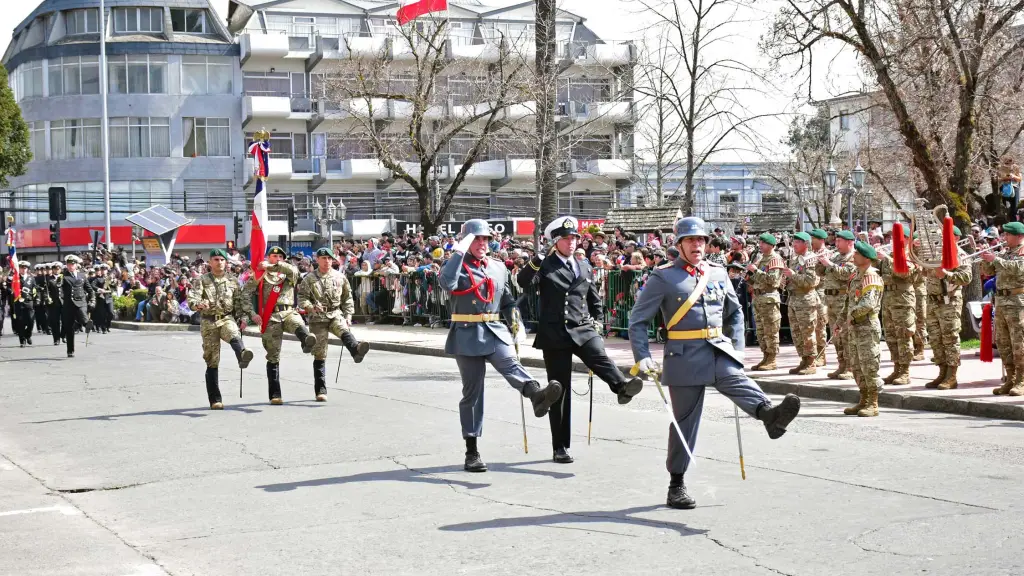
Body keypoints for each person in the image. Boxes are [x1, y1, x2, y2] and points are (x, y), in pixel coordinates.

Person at [627, 217, 801, 509]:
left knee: (737, 379)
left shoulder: (717, 273)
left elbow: (735, 313)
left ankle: (769, 415)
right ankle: (676, 484)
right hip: (682, 355)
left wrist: (738, 348)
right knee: (685, 423)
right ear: (679, 244)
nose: (697, 245)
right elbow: (638, 321)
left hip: (718, 349)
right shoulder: (663, 277)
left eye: (701, 240)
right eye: (691, 240)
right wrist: (642, 355)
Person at [516, 215, 644, 463]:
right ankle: (560, 446)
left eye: (574, 238)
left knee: (599, 355)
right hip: (555, 332)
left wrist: (597, 320)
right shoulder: (546, 264)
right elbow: (523, 282)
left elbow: (593, 297)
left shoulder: (584, 266)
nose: (572, 242)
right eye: (566, 238)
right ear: (556, 241)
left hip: (582, 327)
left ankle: (621, 386)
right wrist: (536, 261)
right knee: (558, 389)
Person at [439, 219, 562, 473]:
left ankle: (536, 394)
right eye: (477, 239)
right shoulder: (455, 266)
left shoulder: (497, 267)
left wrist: (516, 326)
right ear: (466, 242)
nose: (482, 244)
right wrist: (458, 251)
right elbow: (447, 283)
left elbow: (507, 300)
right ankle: (472, 451)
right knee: (473, 393)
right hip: (466, 332)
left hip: (494, 330)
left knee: (510, 363)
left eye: (485, 239)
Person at [242, 246, 318, 404]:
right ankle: (275, 394)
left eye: (279, 256)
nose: (276, 258)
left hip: (289, 311)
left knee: (298, 323)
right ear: (267, 257)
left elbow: (294, 270)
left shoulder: (288, 272)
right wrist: (252, 314)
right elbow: (245, 295)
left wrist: (272, 266)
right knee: (273, 357)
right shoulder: (259, 274)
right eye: (273, 256)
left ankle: (306, 340)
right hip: (270, 317)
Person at [298, 247, 370, 402]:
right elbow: (302, 298)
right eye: (323, 258)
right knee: (320, 353)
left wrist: (349, 315)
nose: (327, 261)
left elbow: (347, 297)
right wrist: (310, 307)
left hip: (335, 312)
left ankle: (356, 350)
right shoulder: (309, 278)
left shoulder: (340, 277)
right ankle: (321, 390)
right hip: (318, 318)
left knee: (343, 330)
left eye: (329, 258)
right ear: (317, 260)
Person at [188, 249, 255, 409]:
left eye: (222, 260)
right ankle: (215, 399)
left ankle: (242, 354)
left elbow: (238, 302)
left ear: (226, 263)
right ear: (210, 262)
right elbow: (193, 297)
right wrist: (198, 304)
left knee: (233, 332)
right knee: (212, 360)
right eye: (216, 259)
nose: (219, 262)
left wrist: (244, 318)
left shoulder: (232, 281)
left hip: (226, 318)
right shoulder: (202, 280)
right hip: (209, 322)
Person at [925, 226, 972, 390]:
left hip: (949, 301)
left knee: (950, 338)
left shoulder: (960, 255)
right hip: (932, 301)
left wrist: (946, 274)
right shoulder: (935, 254)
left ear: (956, 238)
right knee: (935, 339)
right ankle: (941, 371)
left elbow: (966, 278)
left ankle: (952, 375)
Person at [841, 241, 885, 416]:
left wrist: (851, 315)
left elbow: (868, 304)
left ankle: (873, 403)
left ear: (866, 258)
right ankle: (863, 400)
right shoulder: (855, 276)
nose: (854, 255)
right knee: (857, 366)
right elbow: (848, 302)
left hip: (867, 326)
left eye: (857, 254)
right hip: (855, 327)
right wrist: (840, 320)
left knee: (869, 365)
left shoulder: (871, 277)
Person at [980, 222, 1024, 395]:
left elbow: (1019, 269)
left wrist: (995, 259)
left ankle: (1021, 381)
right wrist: (986, 258)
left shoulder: (1022, 252)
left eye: (1008, 235)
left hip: (1018, 301)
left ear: (1019, 236)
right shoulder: (1005, 252)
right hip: (1001, 301)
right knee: (1003, 342)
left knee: (1019, 343)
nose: (1004, 238)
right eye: (1004, 234)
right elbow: (989, 272)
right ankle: (1010, 378)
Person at [877, 225, 917, 386]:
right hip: (888, 297)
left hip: (903, 299)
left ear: (907, 240)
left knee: (904, 335)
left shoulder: (912, 255)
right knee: (891, 335)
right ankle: (897, 367)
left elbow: (904, 272)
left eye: (897, 238)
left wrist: (887, 257)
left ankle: (905, 371)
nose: (893, 240)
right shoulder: (891, 254)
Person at [817, 230, 857, 379]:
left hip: (843, 299)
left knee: (846, 335)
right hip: (831, 301)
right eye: (836, 241)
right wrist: (820, 261)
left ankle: (851, 367)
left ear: (850, 242)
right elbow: (821, 273)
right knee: (836, 336)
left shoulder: (853, 257)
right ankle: (842, 365)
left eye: (840, 241)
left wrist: (829, 264)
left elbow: (846, 274)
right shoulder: (835, 256)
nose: (836, 244)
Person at [782, 232, 820, 374]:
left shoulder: (811, 260)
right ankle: (803, 360)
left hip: (806, 300)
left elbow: (811, 282)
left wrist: (793, 275)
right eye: (794, 242)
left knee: (807, 332)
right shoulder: (795, 260)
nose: (794, 245)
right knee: (796, 333)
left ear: (805, 244)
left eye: (797, 242)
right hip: (793, 300)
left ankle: (811, 362)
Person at [746, 233, 784, 370]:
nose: (760, 245)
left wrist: (755, 271)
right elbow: (757, 279)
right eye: (760, 243)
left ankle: (772, 359)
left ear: (771, 245)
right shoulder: (762, 259)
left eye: (763, 243)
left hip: (769, 298)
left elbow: (772, 280)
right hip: (759, 298)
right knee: (761, 331)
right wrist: (748, 277)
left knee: (770, 330)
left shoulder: (775, 259)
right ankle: (765, 357)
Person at [60, 255, 95, 358]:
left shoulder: (82, 276)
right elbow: (58, 285)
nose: (70, 266)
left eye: (72, 264)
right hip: (69, 304)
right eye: (69, 264)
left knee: (82, 313)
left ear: (76, 265)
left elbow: (90, 290)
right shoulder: (64, 276)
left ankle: (86, 323)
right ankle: (70, 350)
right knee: (69, 328)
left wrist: (92, 300)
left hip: (81, 301)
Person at [808, 229, 830, 366]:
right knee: (812, 325)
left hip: (822, 293)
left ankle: (821, 355)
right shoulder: (811, 254)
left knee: (820, 325)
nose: (811, 241)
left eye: (813, 239)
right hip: (811, 293)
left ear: (821, 240)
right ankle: (812, 353)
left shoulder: (826, 254)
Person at [13, 261, 37, 347]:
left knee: (31, 321)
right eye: (21, 268)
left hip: (29, 302)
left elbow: (34, 289)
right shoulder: (15, 278)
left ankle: (28, 335)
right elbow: (11, 288)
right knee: (20, 322)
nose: (23, 269)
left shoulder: (31, 278)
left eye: (25, 268)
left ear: (27, 269)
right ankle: (22, 340)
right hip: (19, 302)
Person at [46, 262, 63, 345]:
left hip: (64, 303)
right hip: (54, 303)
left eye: (58, 269)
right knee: (55, 322)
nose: (56, 270)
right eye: (55, 269)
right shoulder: (49, 279)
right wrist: (47, 298)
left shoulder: (64, 278)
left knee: (65, 321)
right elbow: (46, 291)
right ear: (52, 270)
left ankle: (64, 335)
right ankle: (56, 339)